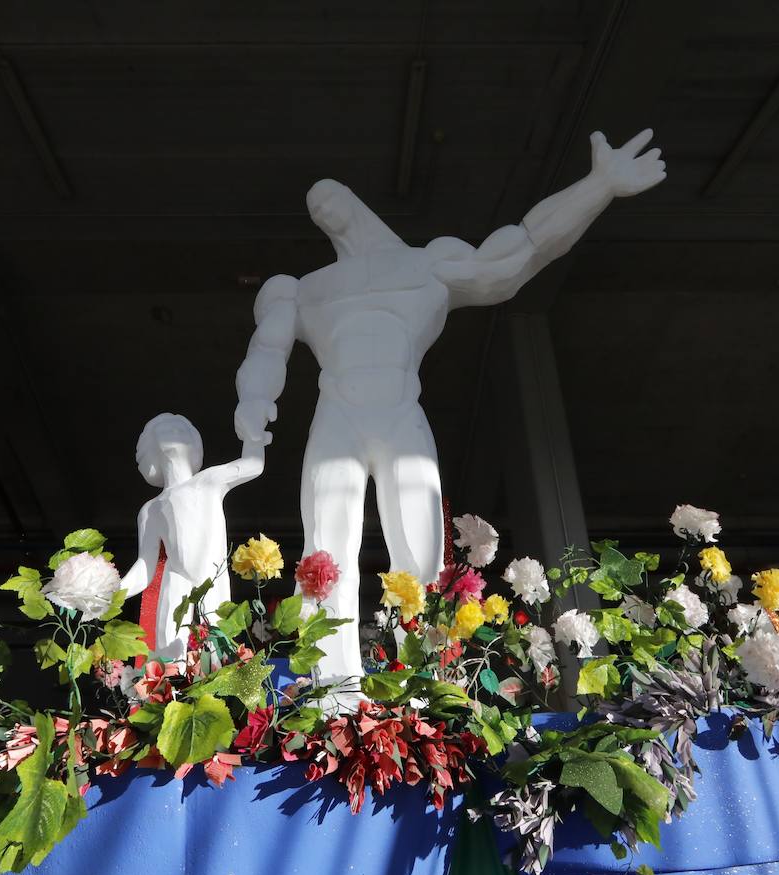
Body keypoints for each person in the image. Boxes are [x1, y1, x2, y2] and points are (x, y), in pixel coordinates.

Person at [233, 129, 666, 681]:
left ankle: (421, 682)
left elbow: (521, 250)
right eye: (314, 207)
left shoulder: (428, 264)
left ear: (353, 198)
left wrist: (598, 185)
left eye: (330, 196)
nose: (323, 208)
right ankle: (332, 683)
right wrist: (254, 397)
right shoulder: (303, 288)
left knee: (419, 548)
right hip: (336, 414)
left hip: (398, 412)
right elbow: (267, 347)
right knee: (324, 548)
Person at [118, 413, 264, 657]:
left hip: (212, 575)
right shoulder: (151, 509)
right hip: (175, 579)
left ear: (193, 442)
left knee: (217, 652)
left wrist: (253, 427)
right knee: (168, 657)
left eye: (178, 429)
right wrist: (110, 593)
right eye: (162, 429)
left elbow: (253, 464)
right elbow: (145, 566)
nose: (170, 430)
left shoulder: (210, 481)